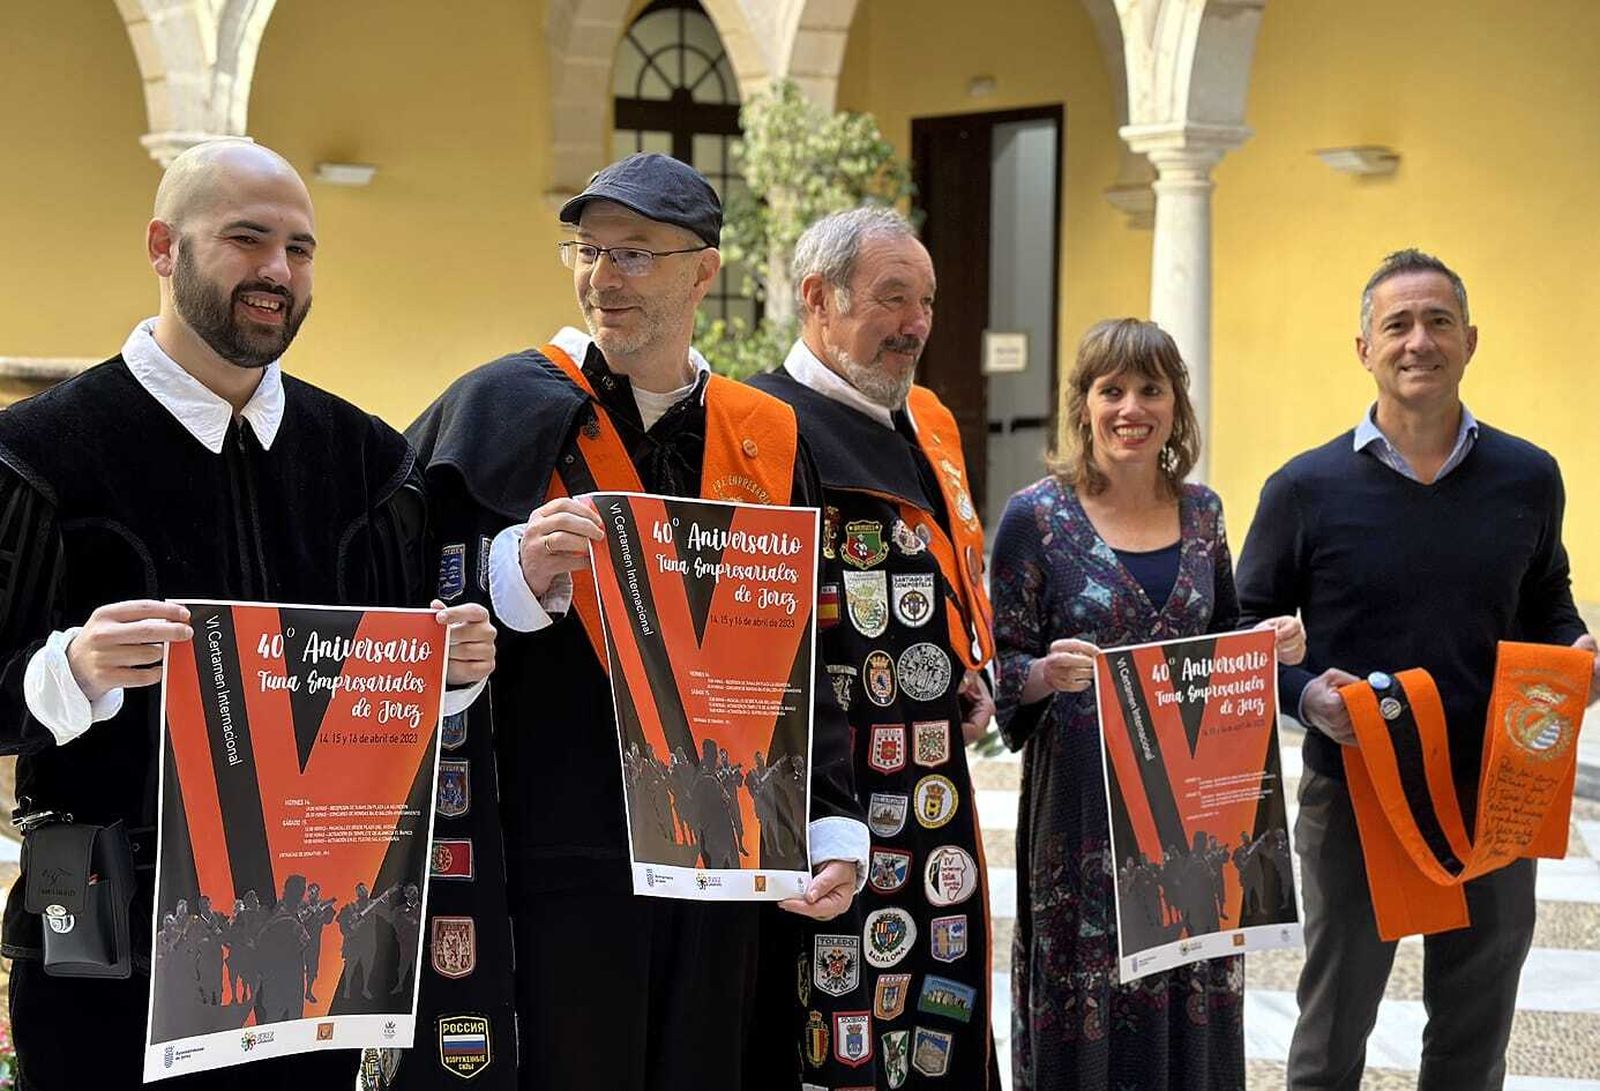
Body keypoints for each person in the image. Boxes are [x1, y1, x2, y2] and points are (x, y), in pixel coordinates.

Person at [0, 138, 496, 1090]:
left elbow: (387, 713)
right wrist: (74, 668)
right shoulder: (41, 453)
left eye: (300, 249)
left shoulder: (368, 463)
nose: (278, 271)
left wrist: (449, 673)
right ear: (162, 246)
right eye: (247, 238)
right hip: (110, 963)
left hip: (307, 973)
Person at [403, 152, 868, 1090]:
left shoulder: (766, 434)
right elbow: (396, 588)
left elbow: (806, 645)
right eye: (588, 249)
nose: (601, 276)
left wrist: (831, 819)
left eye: (635, 254)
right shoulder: (496, 406)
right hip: (557, 843)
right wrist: (510, 574)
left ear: (705, 269)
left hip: (726, 849)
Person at [1235, 248, 1600, 1091]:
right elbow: (1241, 631)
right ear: (1362, 347)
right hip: (1357, 798)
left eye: (1438, 321)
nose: (1418, 340)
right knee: (1331, 1042)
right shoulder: (1304, 488)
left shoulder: (1530, 476)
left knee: (1474, 1044)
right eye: (1396, 323)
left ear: (1471, 340)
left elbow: (1549, 598)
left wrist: (1574, 651)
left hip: (1498, 800)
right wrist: (1302, 694)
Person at [988, 318, 1305, 1091]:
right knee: (1086, 1001)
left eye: (1151, 388)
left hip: (1190, 817)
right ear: (1084, 403)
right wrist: (1044, 672)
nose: (1132, 407)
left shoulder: (1204, 514)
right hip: (1083, 822)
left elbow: (1223, 636)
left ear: (1176, 404)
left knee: (1192, 991)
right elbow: (999, 668)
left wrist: (1271, 643)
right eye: (1112, 389)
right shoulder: (1035, 517)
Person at [748, 206, 1001, 1090]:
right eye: (893, 299)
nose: (916, 325)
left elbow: (942, 559)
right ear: (818, 297)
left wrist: (969, 659)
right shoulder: (757, 425)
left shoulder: (923, 420)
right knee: (834, 1031)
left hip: (931, 796)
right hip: (828, 796)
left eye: (925, 302)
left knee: (938, 1017)